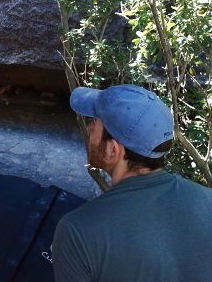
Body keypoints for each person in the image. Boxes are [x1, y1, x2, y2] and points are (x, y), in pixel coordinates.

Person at [51, 84, 212, 282]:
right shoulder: (208, 201)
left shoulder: (78, 231)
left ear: (113, 150)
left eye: (94, 122)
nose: (89, 127)